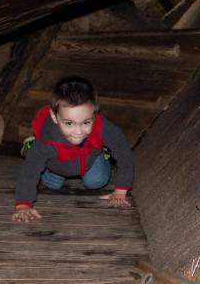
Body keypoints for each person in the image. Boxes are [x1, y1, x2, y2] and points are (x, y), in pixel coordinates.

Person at [12, 76, 133, 222]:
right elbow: (30, 170)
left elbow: (124, 153)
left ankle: (102, 154)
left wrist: (120, 191)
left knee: (96, 182)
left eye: (86, 122)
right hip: (57, 161)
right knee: (53, 185)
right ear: (54, 116)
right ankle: (33, 148)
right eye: (69, 123)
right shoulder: (47, 137)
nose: (78, 132)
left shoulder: (103, 127)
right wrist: (23, 205)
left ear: (95, 114)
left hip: (89, 156)